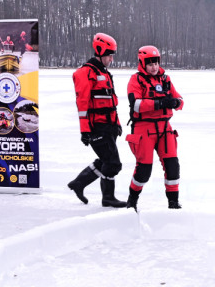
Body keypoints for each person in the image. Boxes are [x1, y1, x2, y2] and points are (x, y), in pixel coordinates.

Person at [67, 33, 125, 207]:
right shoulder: (85, 73)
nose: (111, 59)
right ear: (99, 52)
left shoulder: (105, 74)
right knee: (113, 164)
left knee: (105, 161)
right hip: (97, 127)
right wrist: (85, 130)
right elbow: (82, 104)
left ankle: (78, 183)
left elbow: (111, 103)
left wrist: (117, 124)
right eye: (109, 55)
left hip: (109, 126)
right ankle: (107, 197)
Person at [125, 45, 183, 210]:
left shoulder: (165, 79)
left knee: (173, 166)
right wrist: (160, 103)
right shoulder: (135, 80)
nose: (154, 67)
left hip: (165, 128)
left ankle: (173, 202)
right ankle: (132, 200)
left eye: (156, 63)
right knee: (144, 170)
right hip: (144, 129)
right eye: (150, 63)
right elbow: (136, 104)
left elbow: (180, 99)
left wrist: (176, 102)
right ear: (142, 63)